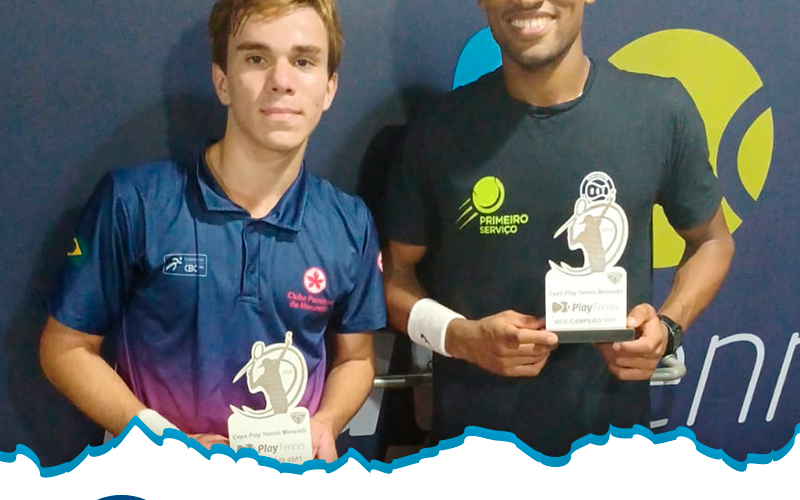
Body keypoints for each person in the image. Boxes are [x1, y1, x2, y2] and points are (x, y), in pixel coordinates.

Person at [382, 0, 735, 456]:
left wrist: (668, 326)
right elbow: (394, 277)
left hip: (612, 453)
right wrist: (462, 339)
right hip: (472, 458)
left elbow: (712, 241)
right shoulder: (438, 128)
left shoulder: (659, 111)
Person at [39, 0, 386, 462]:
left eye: (304, 61)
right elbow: (65, 348)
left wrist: (327, 422)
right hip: (158, 479)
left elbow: (357, 358)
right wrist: (164, 441)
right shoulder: (135, 201)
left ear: (329, 88)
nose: (281, 80)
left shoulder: (349, 222)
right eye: (257, 58)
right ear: (222, 80)